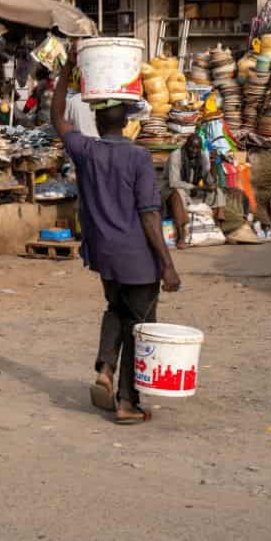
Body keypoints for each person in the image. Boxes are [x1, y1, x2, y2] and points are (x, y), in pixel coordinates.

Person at [53, 62, 180, 425]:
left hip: (104, 255)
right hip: (137, 257)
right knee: (139, 327)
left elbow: (57, 116)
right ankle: (126, 402)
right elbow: (150, 215)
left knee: (116, 309)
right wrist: (167, 265)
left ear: (96, 121)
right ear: (126, 121)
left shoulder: (85, 150)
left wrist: (65, 73)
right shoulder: (138, 157)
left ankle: (106, 368)